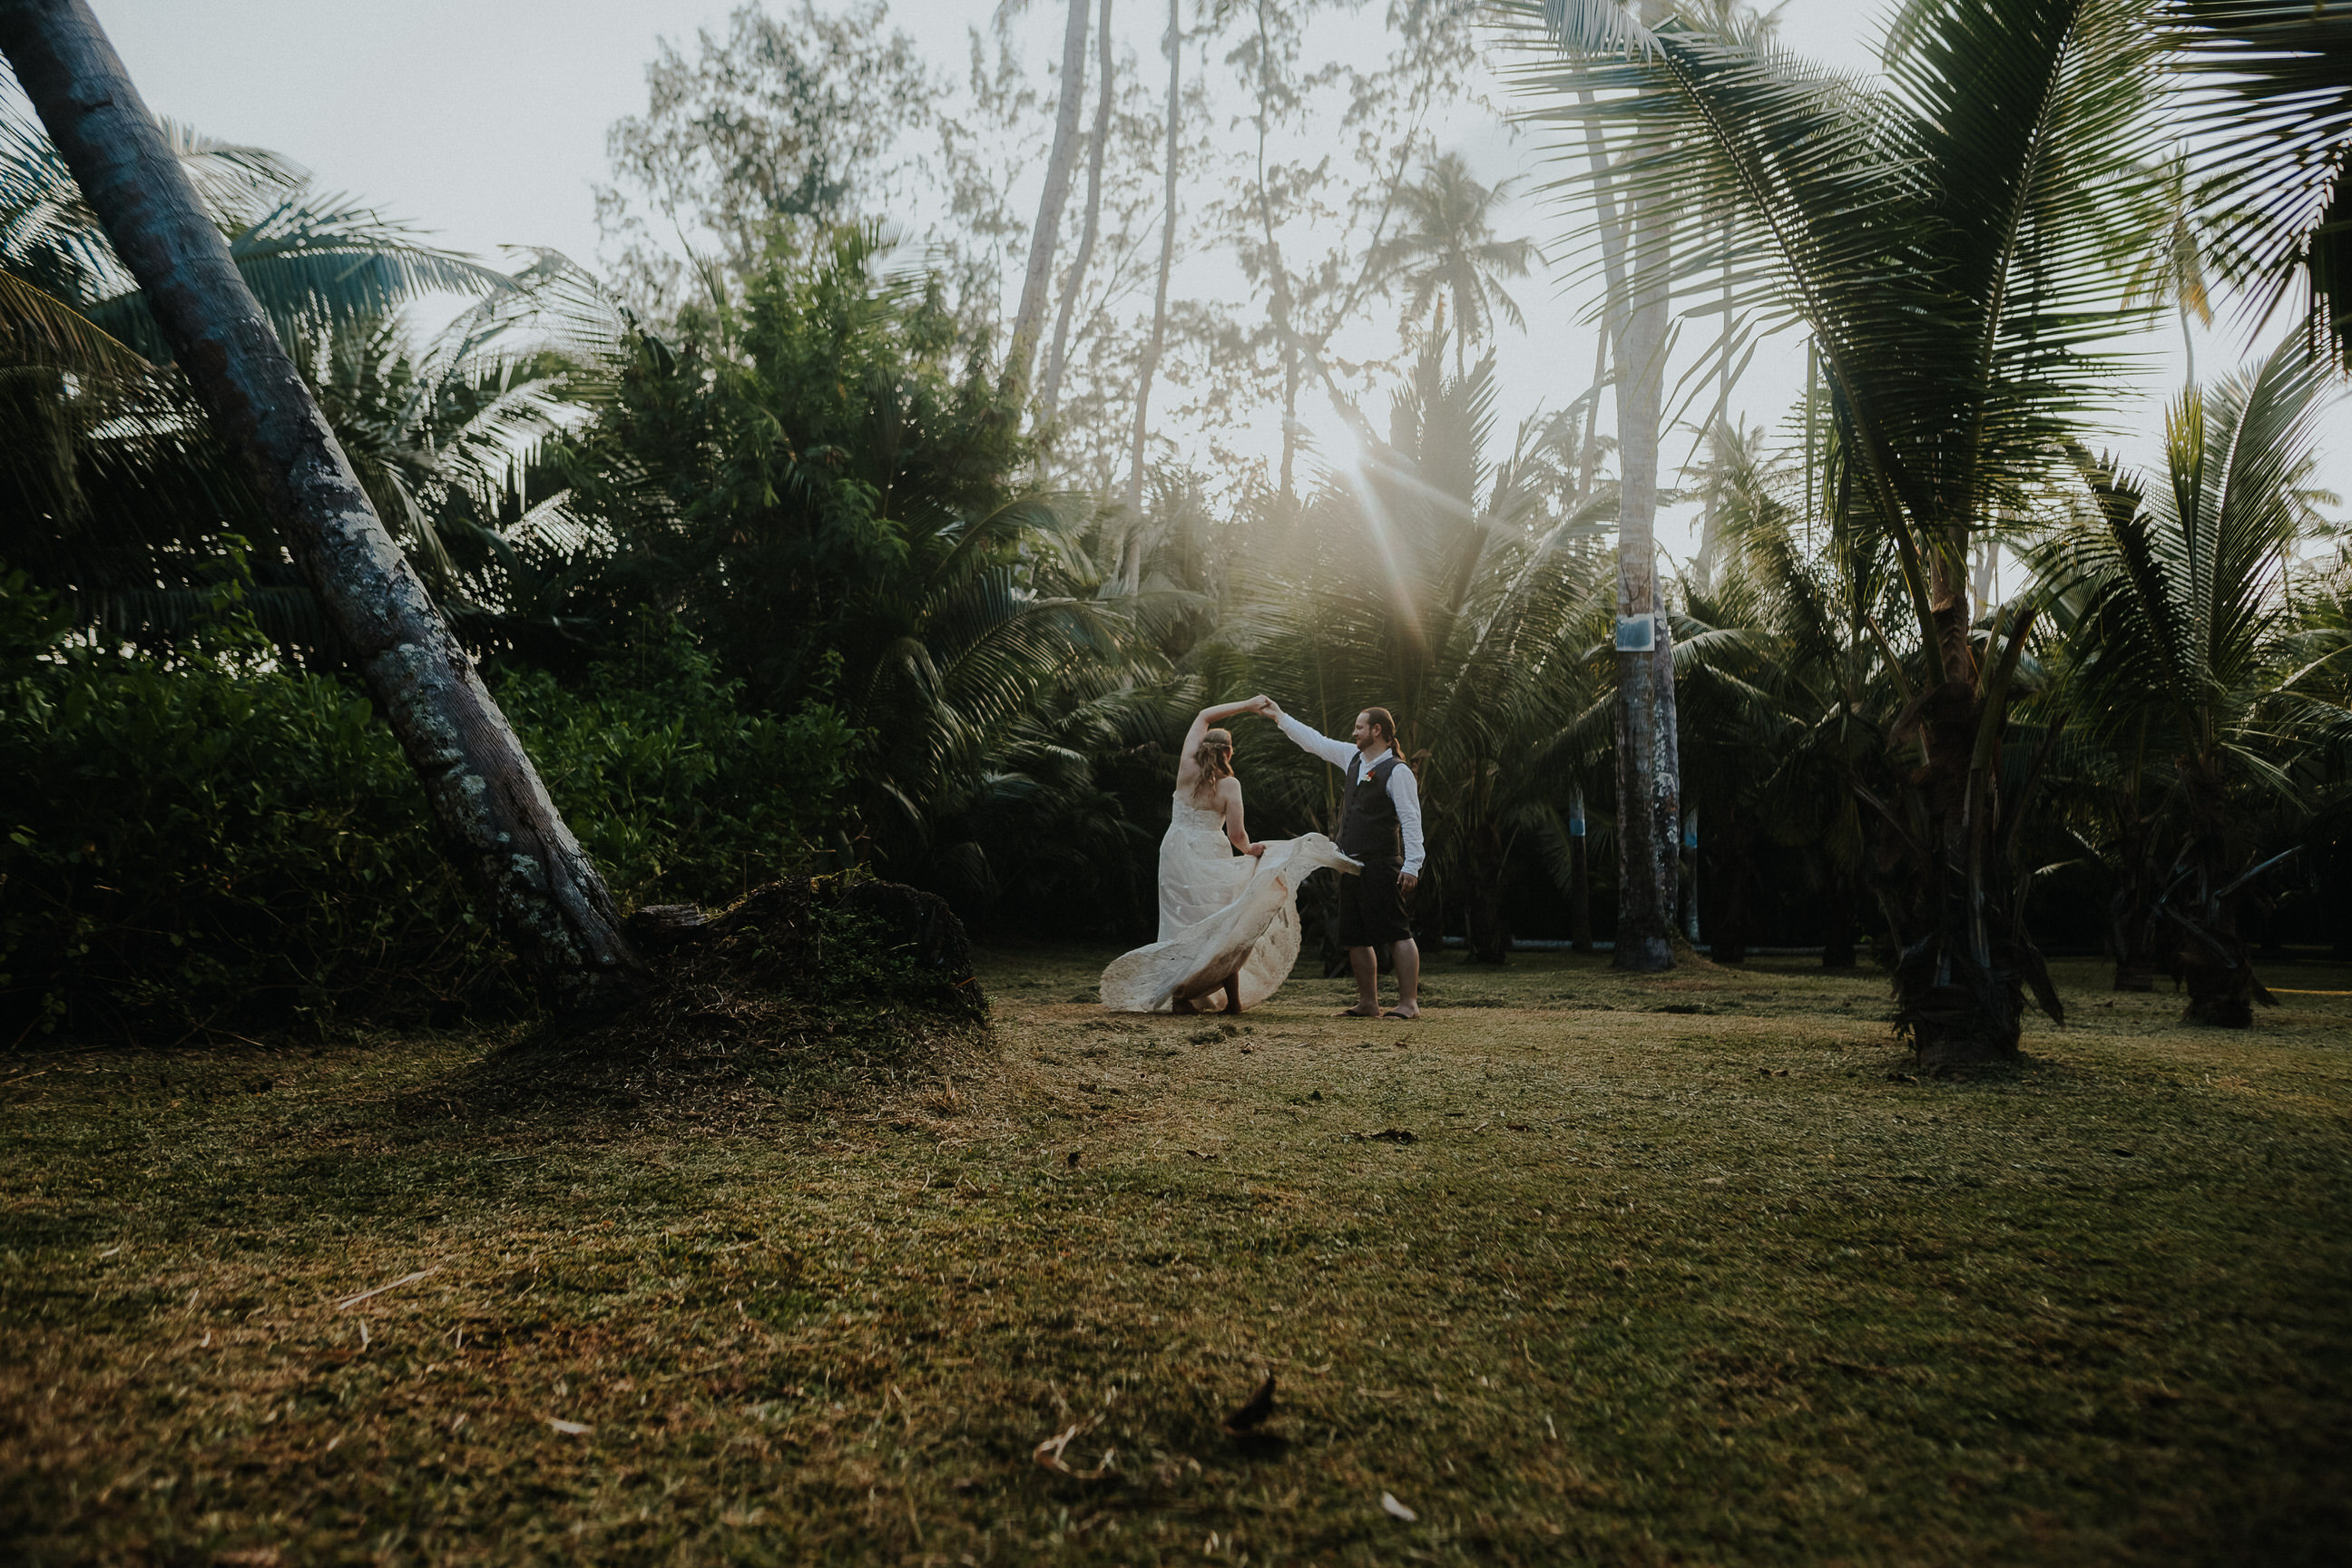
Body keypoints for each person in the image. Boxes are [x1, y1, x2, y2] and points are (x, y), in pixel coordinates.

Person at [1098, 699, 1358, 1014]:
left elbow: (1204, 715)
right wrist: (1251, 851)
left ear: (1202, 748)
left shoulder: (1185, 768)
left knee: (1180, 924)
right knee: (1224, 926)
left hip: (1176, 853)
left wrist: (1247, 705)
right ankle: (1227, 1001)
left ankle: (1183, 997)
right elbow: (1237, 836)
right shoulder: (1229, 785)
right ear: (1229, 753)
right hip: (1210, 855)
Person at [1257, 699, 1425, 1019]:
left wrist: (1412, 865)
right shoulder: (1353, 758)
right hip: (1350, 864)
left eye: (1359, 727)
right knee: (1354, 935)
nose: (1354, 732)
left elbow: (1411, 819)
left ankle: (1409, 1004)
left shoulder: (1398, 771)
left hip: (1383, 863)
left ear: (1377, 730)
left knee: (1397, 932)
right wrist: (1279, 717)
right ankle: (1368, 1003)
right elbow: (1315, 742)